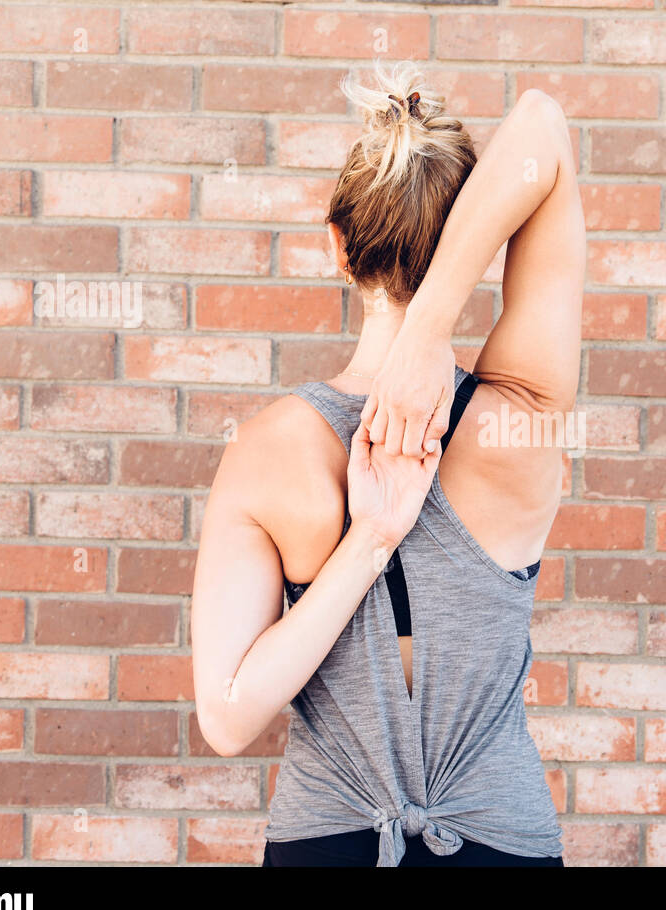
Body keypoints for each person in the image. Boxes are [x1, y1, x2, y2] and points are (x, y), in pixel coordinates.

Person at [190, 60, 584, 867]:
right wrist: (435, 327)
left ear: (338, 245)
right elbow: (543, 124)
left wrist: (367, 541)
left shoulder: (269, 449)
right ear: (472, 243)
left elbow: (227, 721)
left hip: (327, 843)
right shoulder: (522, 416)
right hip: (499, 842)